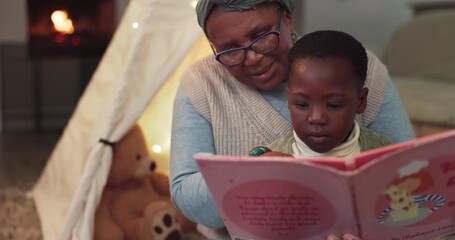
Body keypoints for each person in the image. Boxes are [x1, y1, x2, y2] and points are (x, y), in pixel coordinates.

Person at [170, 0, 415, 239]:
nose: (253, 57)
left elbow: (409, 175)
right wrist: (251, 176)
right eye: (230, 49)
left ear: (287, 17)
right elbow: (185, 193)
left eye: (262, 35)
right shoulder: (202, 84)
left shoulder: (357, 66)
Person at [251, 30, 393, 159]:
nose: (316, 118)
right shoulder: (271, 160)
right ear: (289, 100)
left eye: (333, 105)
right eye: (301, 104)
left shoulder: (386, 155)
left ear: (361, 101)